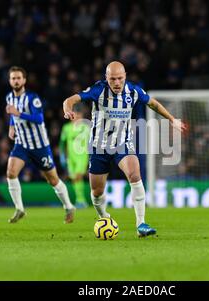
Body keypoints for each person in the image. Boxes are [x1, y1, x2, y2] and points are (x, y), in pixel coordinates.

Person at [63, 61, 186, 237]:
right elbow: (71, 100)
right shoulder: (98, 90)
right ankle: (104, 217)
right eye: (112, 79)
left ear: (125, 76)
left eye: (120, 78)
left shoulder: (133, 91)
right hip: (99, 147)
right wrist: (67, 109)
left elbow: (153, 104)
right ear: (106, 78)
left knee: (135, 175)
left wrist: (172, 119)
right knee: (97, 192)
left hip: (123, 143)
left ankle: (141, 224)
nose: (117, 83)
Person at [5, 66, 75, 223]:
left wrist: (18, 114)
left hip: (39, 145)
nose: (16, 81)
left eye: (18, 78)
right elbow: (12, 116)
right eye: (13, 78)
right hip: (22, 143)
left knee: (53, 179)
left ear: (24, 80)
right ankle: (19, 208)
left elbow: (39, 119)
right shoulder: (9, 98)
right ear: (10, 81)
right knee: (11, 172)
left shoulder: (32, 98)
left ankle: (69, 206)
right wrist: (11, 126)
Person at [59, 105, 91, 208]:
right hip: (70, 157)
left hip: (82, 156)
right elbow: (62, 143)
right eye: (75, 115)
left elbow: (92, 142)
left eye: (79, 115)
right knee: (74, 179)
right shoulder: (66, 128)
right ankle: (80, 200)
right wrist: (62, 156)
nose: (77, 117)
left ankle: (81, 201)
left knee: (78, 176)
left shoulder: (86, 127)